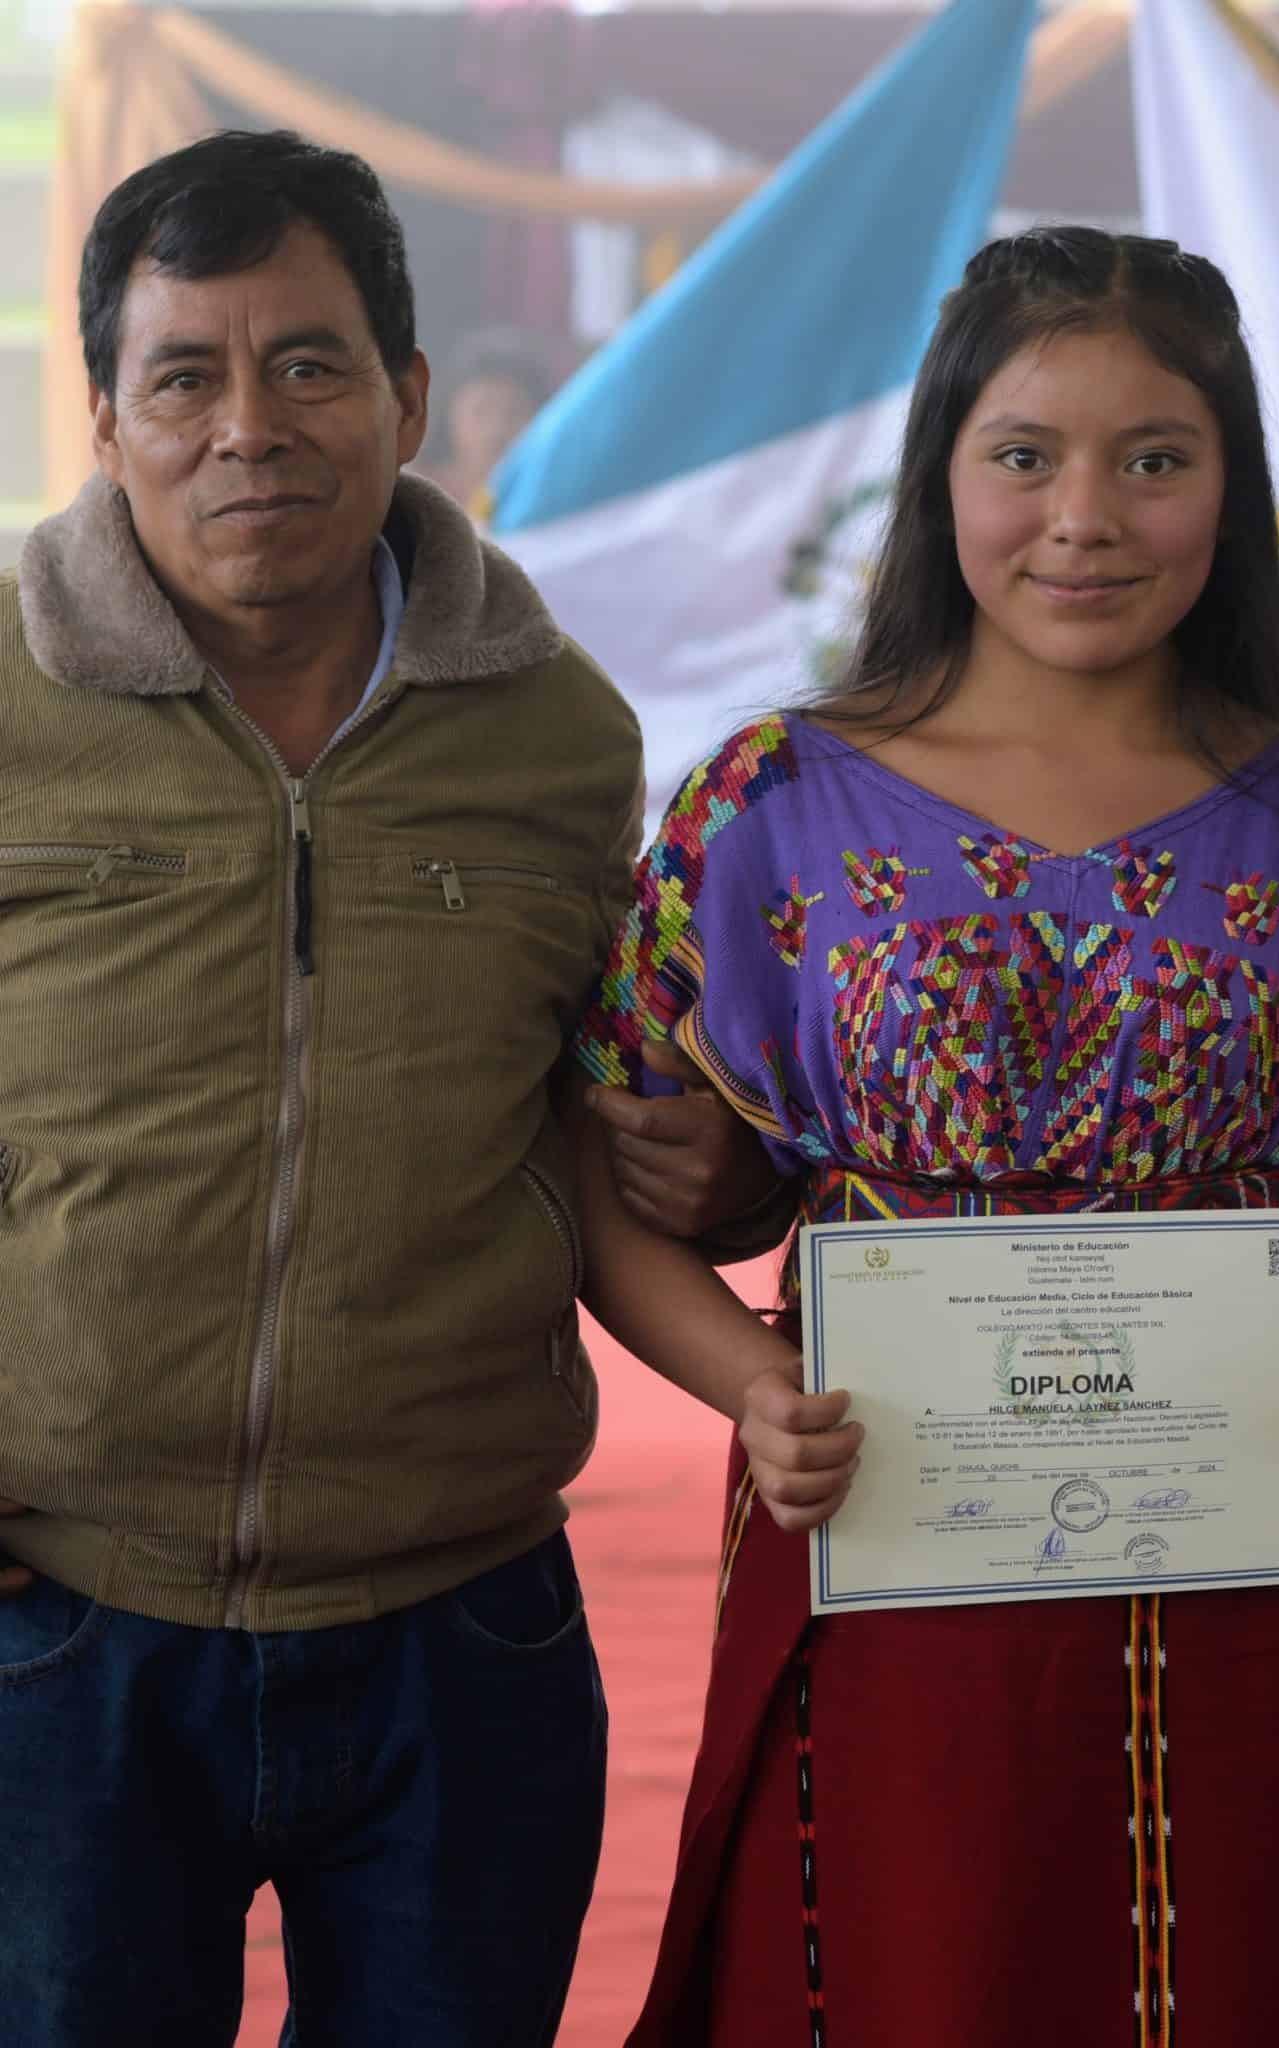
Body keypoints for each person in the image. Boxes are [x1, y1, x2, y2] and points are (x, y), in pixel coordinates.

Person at [569, 225, 1279, 2045]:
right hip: (890, 1540)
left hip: (1252, 1561)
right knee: (912, 1964)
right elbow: (607, 1185)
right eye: (1024, 454)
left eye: (1154, 457)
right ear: (940, 474)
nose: (1086, 515)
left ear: (1230, 484)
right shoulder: (770, 802)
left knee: (1244, 1969)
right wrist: (747, 1391)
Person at [0, 127, 754, 2045]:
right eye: (187, 374)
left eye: (309, 363)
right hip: (60, 1617)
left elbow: (615, 1130)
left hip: (463, 1622)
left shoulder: (558, 731)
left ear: (407, 397)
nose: (249, 425)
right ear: (105, 414)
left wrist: (729, 1167)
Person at [410, 324, 557, 519]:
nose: (495, 430)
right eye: (480, 412)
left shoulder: (550, 494)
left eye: (513, 413)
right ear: (449, 415)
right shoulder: (413, 492)